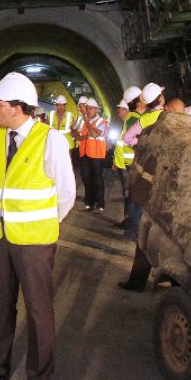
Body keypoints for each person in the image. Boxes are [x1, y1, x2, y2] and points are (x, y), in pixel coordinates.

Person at [0, 72, 75, 380]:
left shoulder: (51, 140)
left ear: (17, 108)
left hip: (34, 240)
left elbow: (66, 194)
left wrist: (41, 227)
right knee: (1, 305)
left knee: (39, 310)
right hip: (0, 237)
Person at [117, 82, 165, 292]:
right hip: (166, 180)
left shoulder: (145, 119)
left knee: (145, 229)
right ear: (161, 99)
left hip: (147, 177)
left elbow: (128, 138)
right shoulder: (171, 118)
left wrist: (141, 145)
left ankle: (138, 280)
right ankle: (165, 279)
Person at [112, 86, 143, 226]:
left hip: (128, 164)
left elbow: (130, 142)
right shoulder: (131, 120)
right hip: (124, 163)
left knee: (129, 194)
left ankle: (130, 223)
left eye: (120, 109)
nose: (118, 112)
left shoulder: (132, 119)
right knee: (127, 194)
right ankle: (128, 220)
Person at [77, 98, 108, 212]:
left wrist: (87, 123)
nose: (88, 111)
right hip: (85, 154)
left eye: (90, 108)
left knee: (98, 179)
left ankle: (100, 203)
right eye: (87, 108)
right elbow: (78, 135)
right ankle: (89, 202)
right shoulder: (84, 122)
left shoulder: (102, 122)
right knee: (87, 178)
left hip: (97, 155)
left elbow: (95, 134)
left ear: (95, 109)